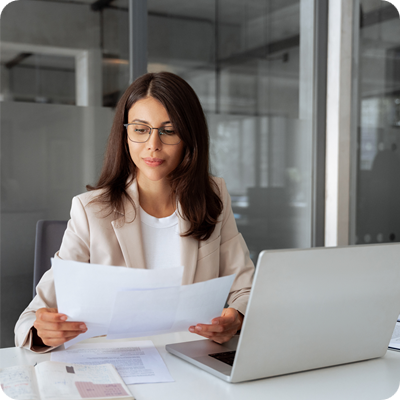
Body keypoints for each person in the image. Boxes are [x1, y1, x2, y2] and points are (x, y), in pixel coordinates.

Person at [14, 72, 255, 353]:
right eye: (141, 130)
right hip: (118, 367)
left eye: (169, 130)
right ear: (125, 134)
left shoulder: (214, 197)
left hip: (191, 363)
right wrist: (43, 330)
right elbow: (32, 317)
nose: (153, 145)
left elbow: (246, 290)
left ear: (190, 137)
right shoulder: (90, 211)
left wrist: (236, 317)